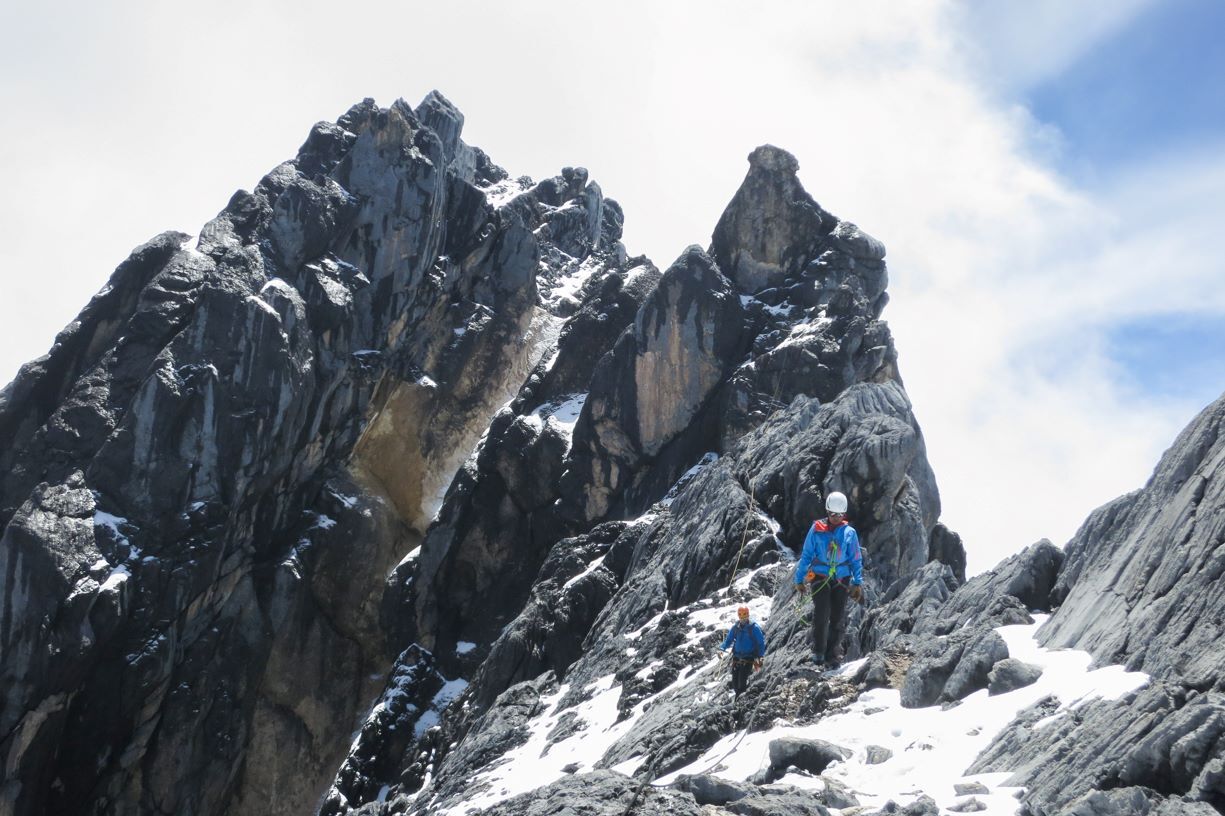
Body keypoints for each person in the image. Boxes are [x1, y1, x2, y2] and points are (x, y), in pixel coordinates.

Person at [795, 491, 864, 669]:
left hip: (841, 578)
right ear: (827, 511)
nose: (836, 518)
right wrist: (799, 579)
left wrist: (857, 581)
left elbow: (856, 558)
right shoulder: (816, 529)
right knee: (822, 612)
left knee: (837, 617)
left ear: (844, 514)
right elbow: (807, 555)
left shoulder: (850, 533)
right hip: (819, 576)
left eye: (840, 514)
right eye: (833, 514)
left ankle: (831, 655)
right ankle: (818, 651)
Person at [719, 605, 767, 698]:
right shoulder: (736, 628)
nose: (743, 619)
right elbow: (729, 640)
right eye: (741, 617)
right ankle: (741, 700)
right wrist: (722, 649)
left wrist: (761, 656)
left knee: (742, 683)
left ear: (748, 616)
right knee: (735, 683)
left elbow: (761, 643)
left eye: (744, 617)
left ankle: (739, 702)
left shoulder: (754, 628)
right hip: (736, 658)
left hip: (748, 658)